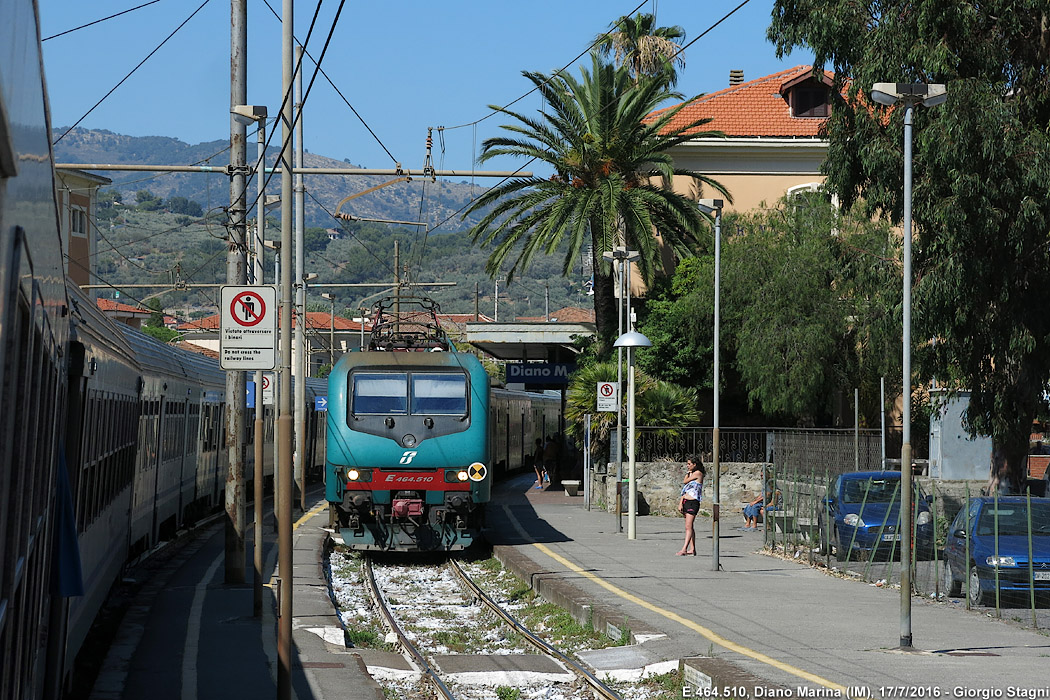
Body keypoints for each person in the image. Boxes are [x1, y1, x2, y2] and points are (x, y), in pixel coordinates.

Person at [676, 455, 705, 556]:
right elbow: (685, 489)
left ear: (694, 464)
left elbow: (685, 481)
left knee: (688, 526)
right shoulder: (691, 474)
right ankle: (692, 549)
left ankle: (684, 548)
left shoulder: (698, 474)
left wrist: (688, 474)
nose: (687, 466)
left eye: (689, 464)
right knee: (690, 527)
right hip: (686, 501)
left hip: (693, 502)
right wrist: (681, 503)